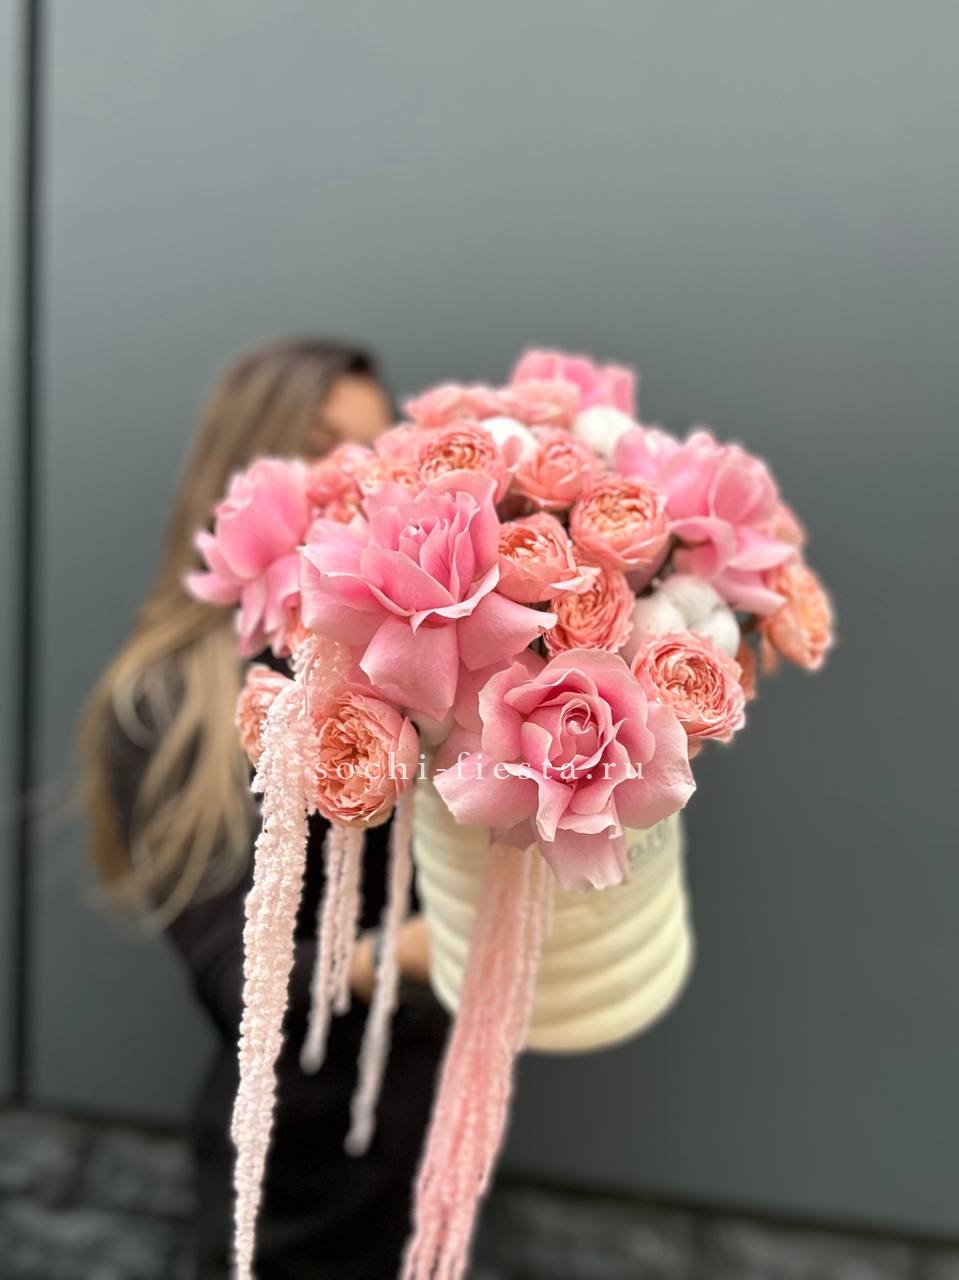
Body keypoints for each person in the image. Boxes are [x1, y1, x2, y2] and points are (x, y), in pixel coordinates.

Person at [80, 337, 448, 1279]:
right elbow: (231, 974)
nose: (350, 475)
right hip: (285, 1184)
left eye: (372, 449)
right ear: (243, 463)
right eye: (318, 444)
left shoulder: (398, 663)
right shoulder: (163, 702)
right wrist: (407, 954)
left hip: (429, 1148)